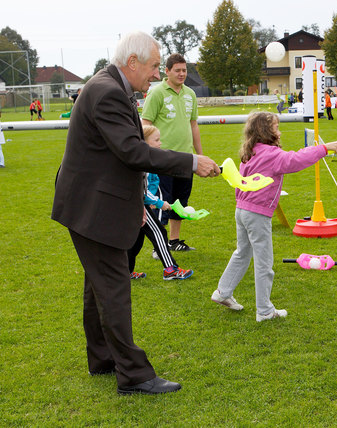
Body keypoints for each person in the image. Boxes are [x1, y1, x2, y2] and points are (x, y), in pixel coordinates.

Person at [51, 31, 220, 395]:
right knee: (113, 288)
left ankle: (102, 359)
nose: (157, 74)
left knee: (98, 286)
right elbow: (132, 151)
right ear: (132, 63)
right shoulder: (108, 91)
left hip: (90, 204)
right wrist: (190, 161)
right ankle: (134, 374)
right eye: (155, 66)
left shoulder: (110, 86)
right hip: (92, 208)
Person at [211, 111, 337, 321]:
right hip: (256, 214)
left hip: (242, 211)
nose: (279, 132)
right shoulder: (272, 155)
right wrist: (324, 148)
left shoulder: (251, 151)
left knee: (242, 253)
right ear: (265, 131)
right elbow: (296, 159)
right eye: (276, 128)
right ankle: (264, 311)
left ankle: (222, 292)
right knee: (264, 263)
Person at [142, 53, 202, 253]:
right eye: (177, 70)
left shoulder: (190, 95)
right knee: (162, 202)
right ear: (166, 71)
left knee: (180, 202)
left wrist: (199, 155)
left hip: (185, 158)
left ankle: (174, 241)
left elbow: (193, 125)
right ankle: (158, 246)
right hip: (163, 159)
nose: (182, 74)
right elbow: (146, 124)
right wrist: (149, 152)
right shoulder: (157, 93)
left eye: (184, 70)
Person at [127, 124, 195, 281]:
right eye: (156, 140)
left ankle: (125, 272)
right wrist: (158, 202)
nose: (160, 143)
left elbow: (151, 184)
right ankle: (170, 269)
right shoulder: (142, 162)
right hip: (139, 206)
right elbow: (142, 188)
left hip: (142, 204)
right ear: (144, 143)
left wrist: (151, 200)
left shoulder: (149, 161)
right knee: (159, 232)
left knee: (136, 241)